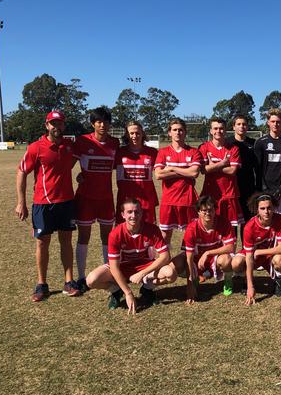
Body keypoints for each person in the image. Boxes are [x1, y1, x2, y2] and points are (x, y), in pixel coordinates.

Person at [15, 110, 81, 301]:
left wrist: (81, 175)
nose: (56, 127)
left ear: (64, 125)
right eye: (53, 123)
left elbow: (76, 160)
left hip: (66, 202)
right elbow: (21, 172)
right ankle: (41, 284)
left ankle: (69, 282)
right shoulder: (36, 147)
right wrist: (21, 202)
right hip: (43, 204)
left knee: (66, 242)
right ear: (47, 126)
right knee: (42, 244)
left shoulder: (69, 146)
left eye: (59, 123)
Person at [86, 198, 174, 313]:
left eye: (137, 212)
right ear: (123, 215)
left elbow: (165, 256)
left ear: (141, 213)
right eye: (129, 212)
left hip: (144, 266)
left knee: (170, 274)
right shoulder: (115, 234)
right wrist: (128, 293)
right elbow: (114, 267)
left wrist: (142, 273)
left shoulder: (152, 229)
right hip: (122, 267)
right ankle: (116, 291)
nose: (133, 215)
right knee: (91, 280)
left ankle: (147, 289)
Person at [73, 107, 120, 291]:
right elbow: (67, 165)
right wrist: (79, 176)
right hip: (85, 198)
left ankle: (109, 273)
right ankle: (81, 277)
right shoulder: (83, 141)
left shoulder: (115, 143)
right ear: (93, 123)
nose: (102, 125)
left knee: (107, 237)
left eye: (106, 121)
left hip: (106, 198)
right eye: (99, 121)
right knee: (83, 236)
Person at [171, 196, 236, 302]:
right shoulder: (192, 228)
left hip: (215, 258)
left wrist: (208, 253)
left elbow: (230, 247)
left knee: (227, 260)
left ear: (215, 210)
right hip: (196, 260)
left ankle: (228, 281)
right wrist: (190, 284)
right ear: (198, 212)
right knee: (175, 264)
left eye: (210, 210)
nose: (208, 213)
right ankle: (195, 279)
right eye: (204, 210)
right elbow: (189, 257)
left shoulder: (223, 222)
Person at [232, 194, 281, 304]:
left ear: (274, 207)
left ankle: (278, 282)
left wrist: (260, 251)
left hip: (269, 254)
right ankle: (245, 281)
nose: (266, 211)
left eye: (269, 208)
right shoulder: (249, 227)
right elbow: (249, 257)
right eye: (262, 208)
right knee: (236, 263)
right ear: (256, 209)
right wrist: (250, 286)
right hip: (252, 255)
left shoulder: (280, 219)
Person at [154, 118, 202, 248]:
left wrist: (172, 168)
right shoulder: (163, 152)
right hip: (168, 200)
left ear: (185, 132)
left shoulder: (194, 152)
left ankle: (189, 264)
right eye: (174, 130)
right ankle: (164, 265)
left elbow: (194, 173)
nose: (177, 132)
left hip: (188, 200)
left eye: (180, 130)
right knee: (165, 236)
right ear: (169, 132)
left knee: (190, 235)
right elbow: (158, 174)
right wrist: (185, 171)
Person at [198, 117, 244, 227]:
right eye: (215, 128)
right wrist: (222, 164)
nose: (218, 131)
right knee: (210, 226)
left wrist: (212, 165)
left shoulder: (233, 148)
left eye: (221, 128)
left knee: (230, 228)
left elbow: (232, 171)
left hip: (229, 194)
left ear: (226, 130)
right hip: (210, 194)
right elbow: (203, 170)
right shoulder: (204, 148)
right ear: (211, 130)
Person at [254, 108, 281, 217]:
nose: (275, 124)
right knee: (265, 219)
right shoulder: (260, 143)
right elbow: (258, 169)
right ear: (268, 122)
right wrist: (263, 188)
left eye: (278, 121)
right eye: (273, 121)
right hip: (265, 189)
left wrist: (280, 189)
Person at [115, 120, 159, 224]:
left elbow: (164, 170)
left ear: (142, 134)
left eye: (137, 133)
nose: (135, 136)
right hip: (124, 201)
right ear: (127, 135)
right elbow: (104, 168)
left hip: (146, 201)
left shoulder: (152, 153)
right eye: (131, 133)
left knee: (148, 233)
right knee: (124, 233)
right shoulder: (119, 153)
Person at [226, 114, 259, 234]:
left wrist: (257, 188)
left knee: (247, 221)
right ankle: (231, 250)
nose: (241, 126)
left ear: (247, 127)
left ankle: (246, 249)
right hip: (231, 188)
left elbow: (257, 168)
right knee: (232, 221)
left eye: (244, 124)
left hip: (249, 187)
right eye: (238, 124)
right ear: (233, 126)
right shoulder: (227, 143)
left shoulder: (254, 143)